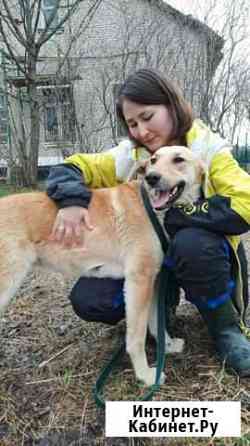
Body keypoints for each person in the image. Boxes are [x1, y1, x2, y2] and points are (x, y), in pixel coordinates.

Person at [47, 68, 250, 376]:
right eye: (132, 123)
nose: (141, 131)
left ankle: (225, 329)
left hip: (202, 254)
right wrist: (71, 200)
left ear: (171, 105)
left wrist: (181, 216)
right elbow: (73, 167)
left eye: (147, 116)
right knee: (91, 299)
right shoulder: (131, 155)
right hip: (145, 254)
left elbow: (245, 204)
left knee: (191, 242)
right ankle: (160, 307)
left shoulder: (210, 150)